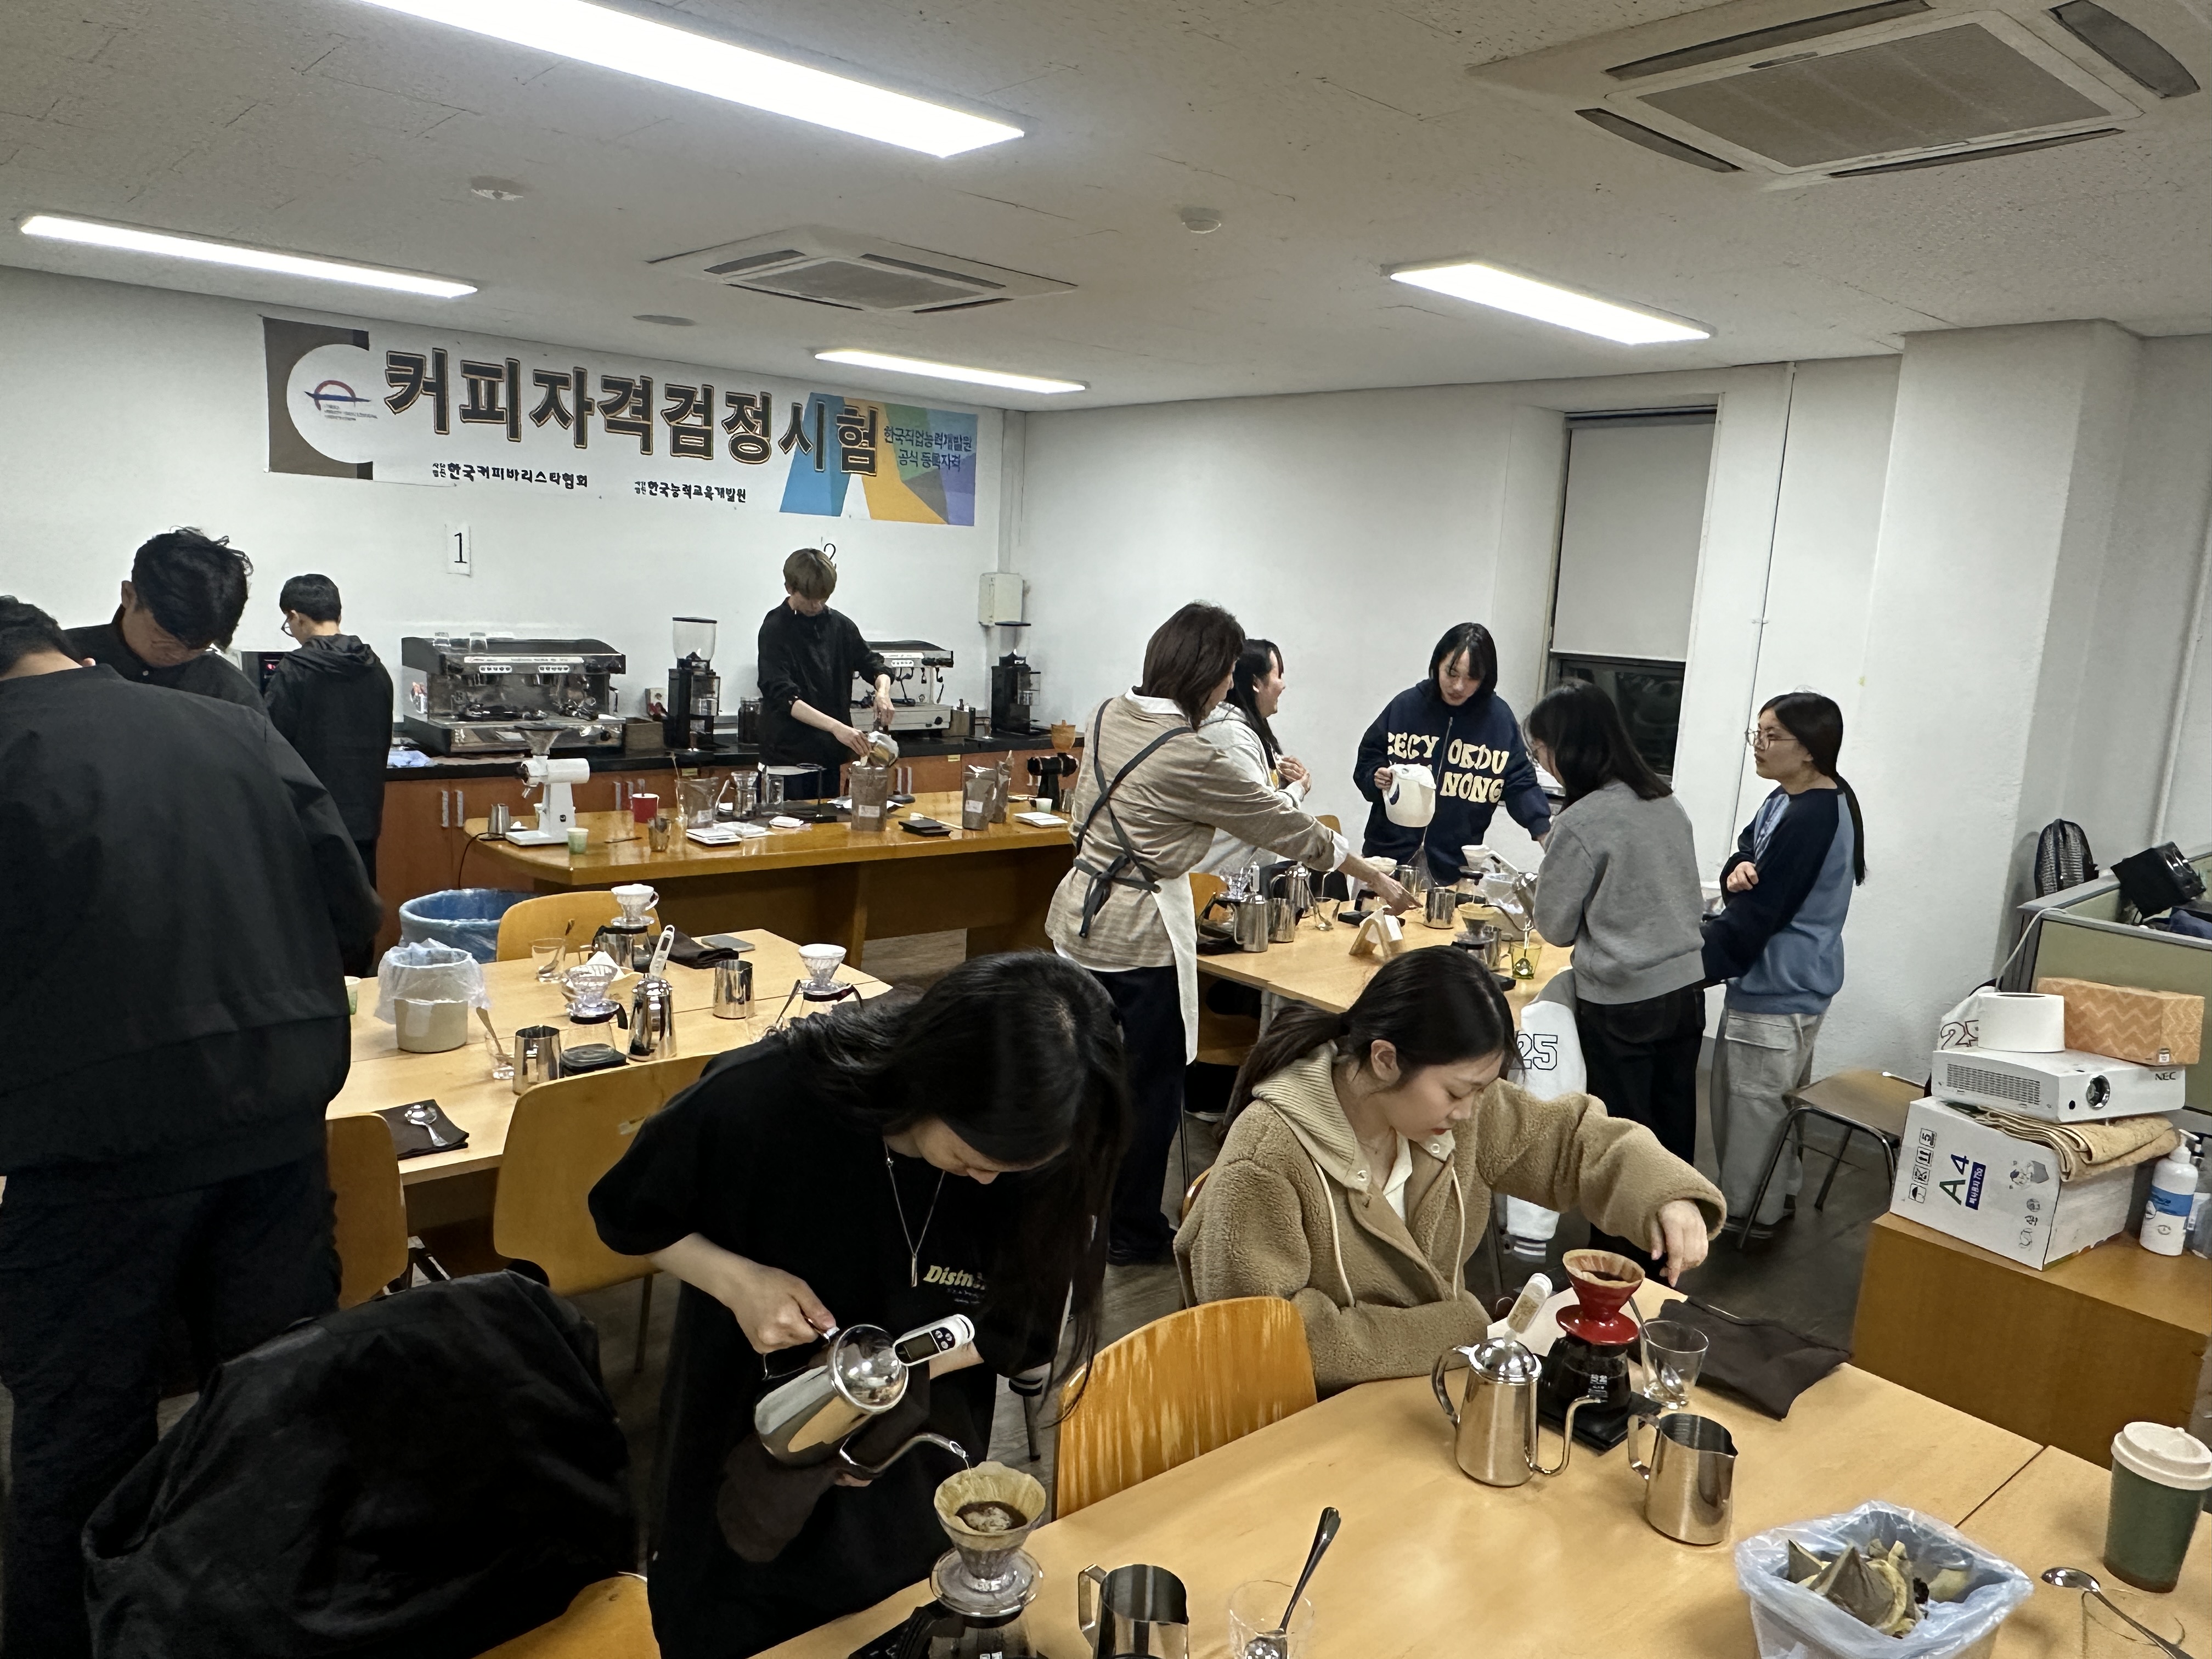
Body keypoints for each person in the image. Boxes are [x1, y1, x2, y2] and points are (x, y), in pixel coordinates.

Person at [0, 596, 382, 1659]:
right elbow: (354, 910)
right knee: (280, 1409)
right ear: (63, 650)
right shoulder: (232, 724)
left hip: (88, 1148)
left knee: (82, 1446)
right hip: (277, 1119)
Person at [588, 955, 1128, 1658]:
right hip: (745, 1447)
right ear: (931, 1080)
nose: (988, 1182)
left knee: (895, 1626)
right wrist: (739, 1283)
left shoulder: (1047, 1150)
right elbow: (625, 1212)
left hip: (912, 1468)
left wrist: (893, 1382)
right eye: (973, 1156)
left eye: (1014, 1168)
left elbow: (1017, 1330)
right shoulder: (766, 1098)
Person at [1175, 948, 1724, 1394]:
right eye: (1458, 1092)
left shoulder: (1459, 1114)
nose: (1469, 1112)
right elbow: (1266, 1339)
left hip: (1424, 1386)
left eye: (1482, 1091)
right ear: (1385, 1059)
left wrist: (1664, 1193)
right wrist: (1456, 1329)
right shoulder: (1268, 1157)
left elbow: (1571, 1140)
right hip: (1309, 1418)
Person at [1046, 603, 1411, 1267]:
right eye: (1224, 678)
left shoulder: (1103, 715)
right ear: (1207, 678)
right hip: (1139, 938)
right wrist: (1374, 879)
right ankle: (1131, 1231)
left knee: (1078, 1079)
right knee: (1149, 1090)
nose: (1227, 690)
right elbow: (1286, 826)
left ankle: (1068, 1208)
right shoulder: (1193, 756)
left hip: (1075, 922)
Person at [1524, 681, 1707, 1271]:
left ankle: (1618, 1268)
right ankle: (1673, 1257)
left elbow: (1554, 926)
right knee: (1672, 1129)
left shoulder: (1582, 821)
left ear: (1569, 748)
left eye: (1541, 751)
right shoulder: (1665, 802)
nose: (1542, 764)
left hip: (1623, 1001)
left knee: (1624, 1139)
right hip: (1686, 989)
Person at [1702, 692, 1867, 1242]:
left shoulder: (1814, 815)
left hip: (1776, 987)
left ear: (1810, 749)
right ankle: (1779, 1193)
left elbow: (1761, 915)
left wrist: (1690, 965)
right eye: (1759, 732)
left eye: (1773, 736)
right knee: (1775, 1102)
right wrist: (1736, 869)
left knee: (1751, 1111)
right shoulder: (1790, 797)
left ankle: (1749, 1216)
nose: (1760, 745)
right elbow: (1747, 849)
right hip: (1794, 982)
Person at [1353, 622, 1550, 888]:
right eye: (1452, 673)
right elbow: (1369, 756)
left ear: (1485, 678)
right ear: (1437, 664)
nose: (1458, 686)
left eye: (1471, 678)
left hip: (1454, 868)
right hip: (1385, 860)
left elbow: (1520, 782)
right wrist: (1375, 776)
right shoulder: (1406, 706)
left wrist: (1543, 829)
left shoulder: (1499, 721)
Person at [264, 574, 394, 974]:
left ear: (296, 617)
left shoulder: (295, 670)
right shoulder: (376, 669)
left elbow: (272, 744)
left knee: (312, 921)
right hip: (364, 816)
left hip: (310, 818)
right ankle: (360, 991)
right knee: (359, 911)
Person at [66, 527, 263, 709]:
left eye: (196, 647)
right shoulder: (63, 658)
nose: (177, 654)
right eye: (165, 639)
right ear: (129, 595)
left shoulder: (231, 696)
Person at [754, 547, 892, 797]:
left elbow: (874, 665)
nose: (817, 605)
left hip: (829, 761)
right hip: (786, 764)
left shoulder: (841, 626)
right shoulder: (775, 628)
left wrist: (882, 692)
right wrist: (837, 728)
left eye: (823, 597)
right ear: (789, 588)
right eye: (809, 598)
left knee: (829, 822)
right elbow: (785, 697)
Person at [1195, 637, 1313, 876]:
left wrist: (1285, 781)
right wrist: (1297, 790)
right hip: (1216, 885)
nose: (1283, 685)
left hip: (1235, 879)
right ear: (1256, 683)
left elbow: (1254, 798)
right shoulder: (1232, 737)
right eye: (1278, 675)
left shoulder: (1245, 730)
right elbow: (1264, 817)